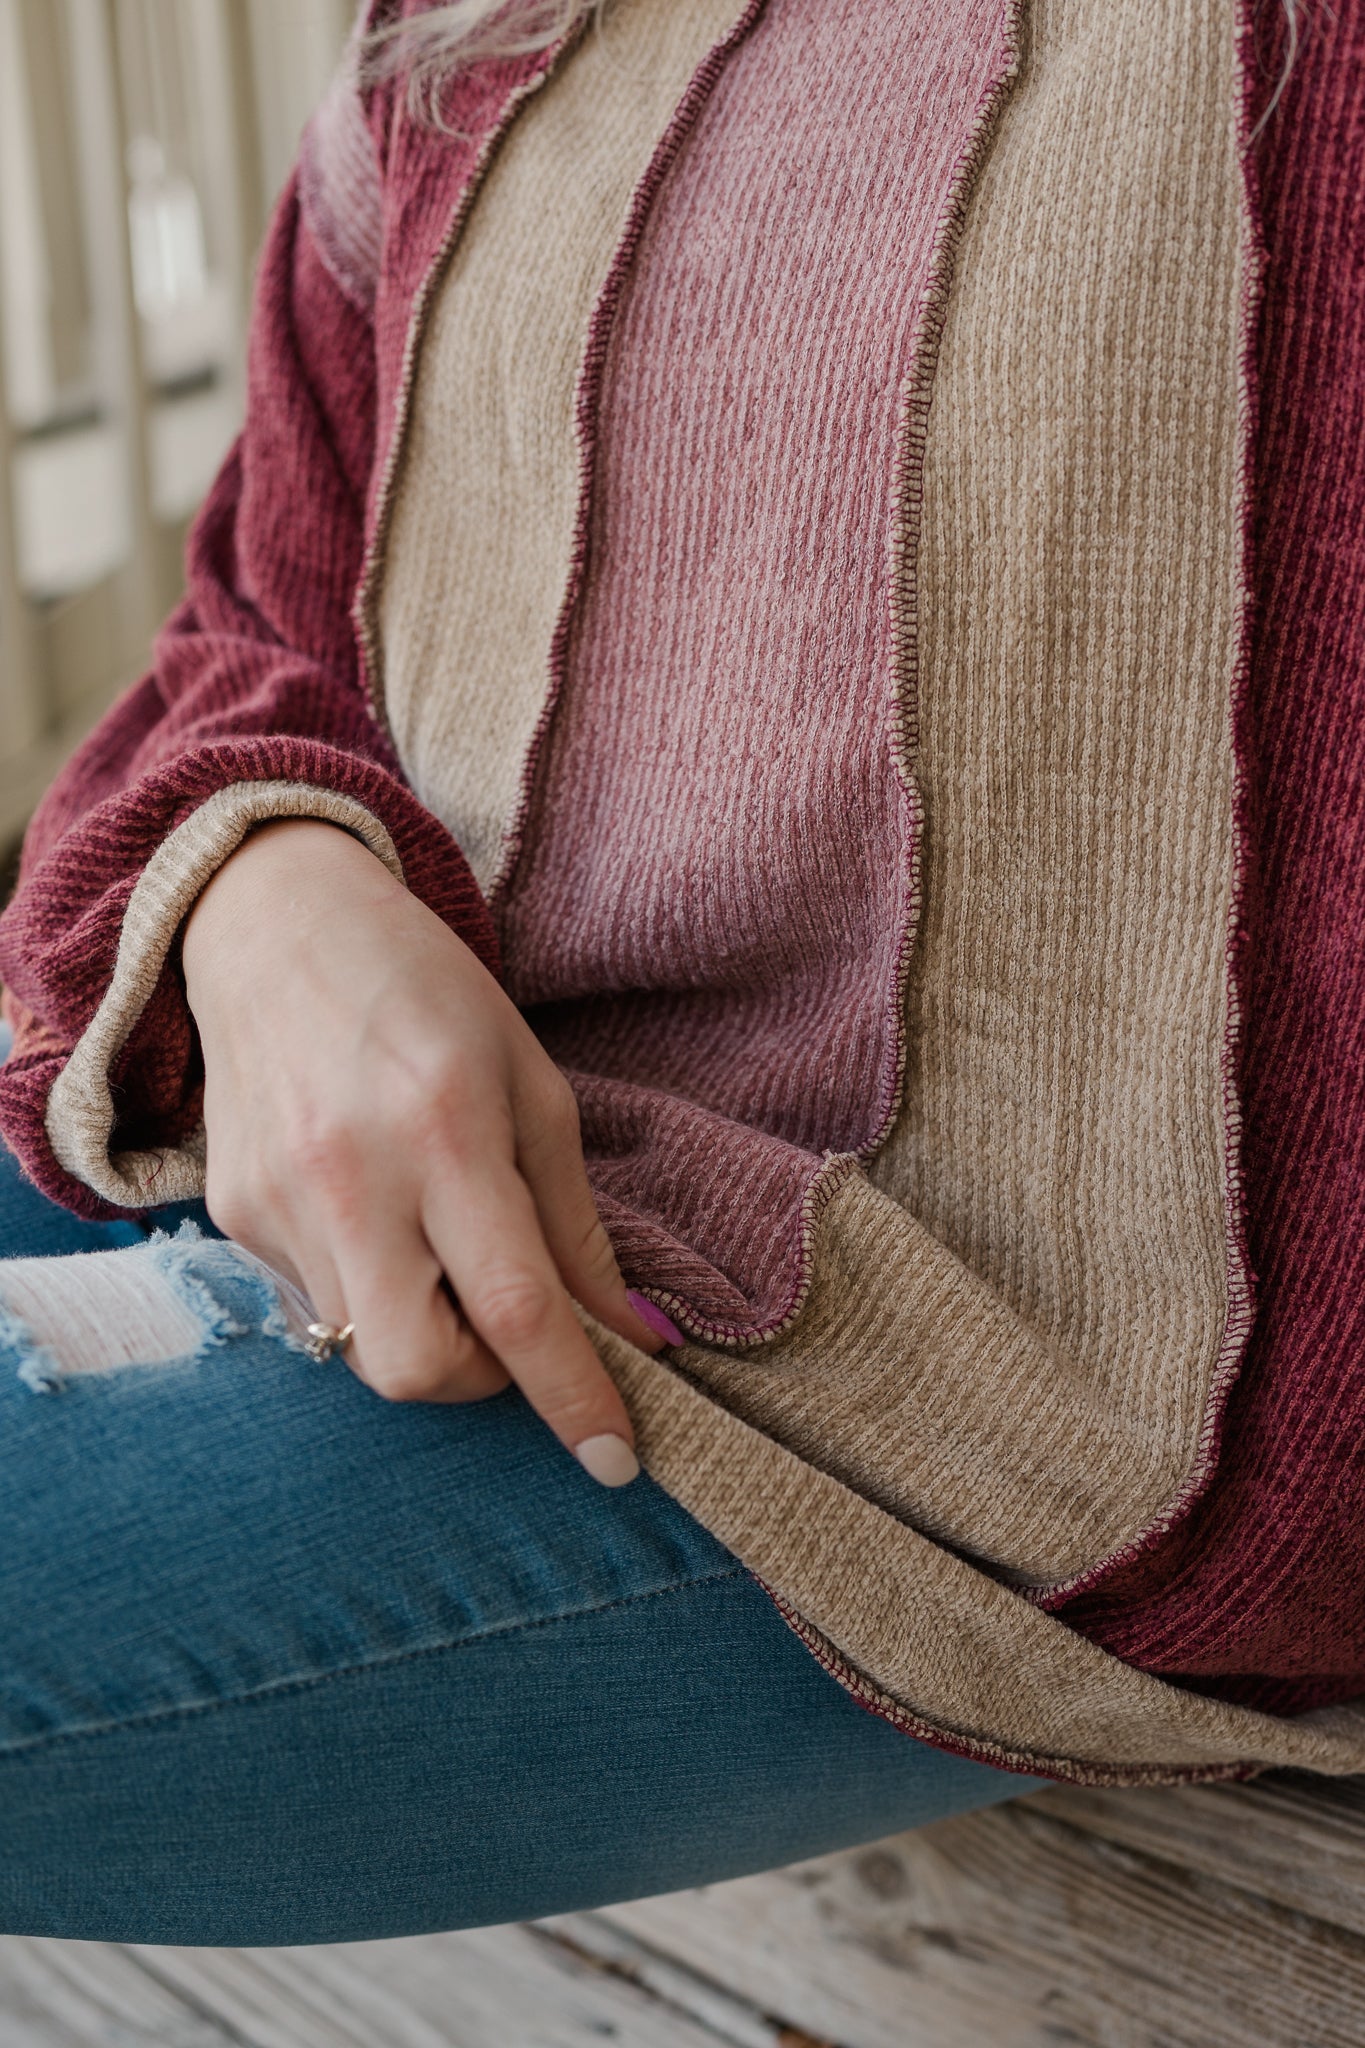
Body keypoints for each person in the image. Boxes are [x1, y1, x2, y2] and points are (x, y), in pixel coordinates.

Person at [0, 0, 1361, 1946]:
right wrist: (265, 882)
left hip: (962, 1396)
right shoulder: (470, 35)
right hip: (365, 1109)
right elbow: (248, 621)